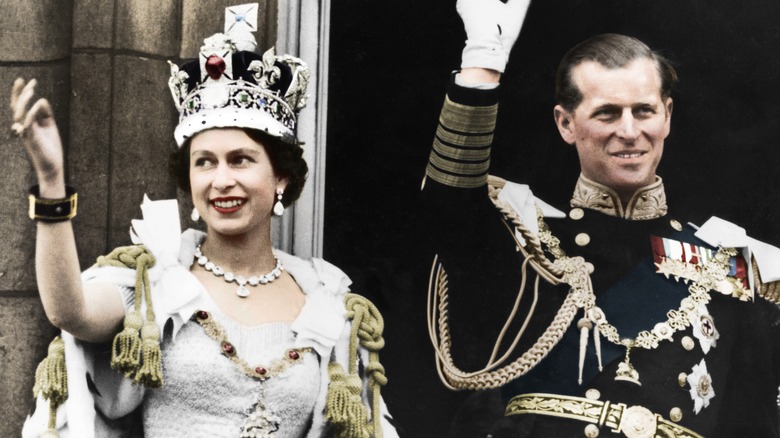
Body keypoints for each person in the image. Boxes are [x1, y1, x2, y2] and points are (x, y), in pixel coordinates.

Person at [15, 4, 396, 437]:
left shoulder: (326, 300)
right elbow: (70, 310)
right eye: (205, 163)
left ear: (281, 179)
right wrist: (51, 183)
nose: (221, 181)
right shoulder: (153, 283)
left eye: (241, 160)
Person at [423, 0, 780, 437]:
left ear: (667, 115)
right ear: (566, 123)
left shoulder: (731, 266)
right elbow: (448, 207)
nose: (629, 131)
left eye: (644, 110)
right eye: (607, 113)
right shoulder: (530, 241)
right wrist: (482, 66)